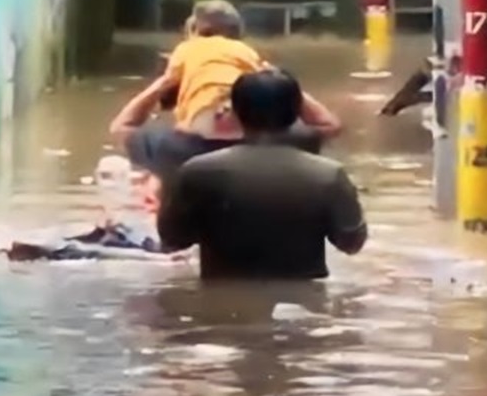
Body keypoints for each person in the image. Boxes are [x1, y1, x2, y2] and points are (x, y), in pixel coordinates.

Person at [108, 0, 340, 200]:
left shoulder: (187, 49)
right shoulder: (247, 53)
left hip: (193, 143)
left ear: (197, 28)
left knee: (137, 146)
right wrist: (276, 76)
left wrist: (165, 81)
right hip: (253, 141)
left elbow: (123, 126)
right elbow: (329, 125)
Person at [157, 69, 367, 280]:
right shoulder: (328, 175)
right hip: (304, 306)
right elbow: (351, 243)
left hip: (222, 300)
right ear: (296, 113)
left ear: (236, 112)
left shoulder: (197, 171)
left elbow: (173, 239)